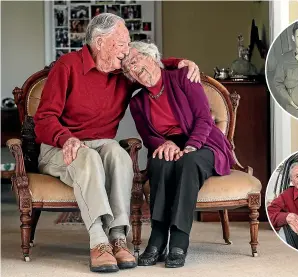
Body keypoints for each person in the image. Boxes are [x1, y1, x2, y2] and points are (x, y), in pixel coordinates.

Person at [34, 13, 200, 273]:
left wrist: (179, 63)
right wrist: (66, 138)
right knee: (87, 156)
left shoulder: (123, 73)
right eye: (122, 43)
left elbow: (148, 66)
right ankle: (98, 242)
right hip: (59, 148)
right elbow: (43, 119)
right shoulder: (67, 66)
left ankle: (118, 236)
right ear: (100, 43)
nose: (127, 50)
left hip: (100, 144)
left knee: (119, 154)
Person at [124, 41, 235, 268]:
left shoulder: (183, 77)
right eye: (128, 69)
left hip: (205, 143)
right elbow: (148, 136)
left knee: (189, 161)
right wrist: (165, 143)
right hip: (169, 144)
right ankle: (157, 237)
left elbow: (204, 119)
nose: (135, 69)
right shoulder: (137, 102)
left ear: (153, 58)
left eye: (136, 61)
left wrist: (191, 146)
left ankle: (179, 240)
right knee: (159, 161)